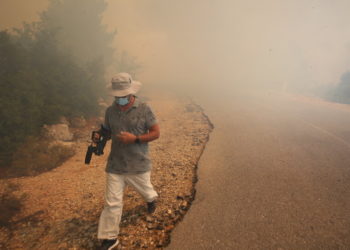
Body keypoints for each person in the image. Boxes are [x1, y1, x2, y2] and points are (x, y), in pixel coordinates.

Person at [97, 72, 160, 250]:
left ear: (131, 92)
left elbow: (156, 133)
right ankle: (110, 239)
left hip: (138, 164)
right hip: (115, 164)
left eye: (123, 96)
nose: (120, 99)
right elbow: (106, 130)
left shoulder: (145, 109)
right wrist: (100, 136)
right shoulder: (110, 111)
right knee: (112, 202)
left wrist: (135, 139)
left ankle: (151, 199)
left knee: (146, 191)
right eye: (117, 96)